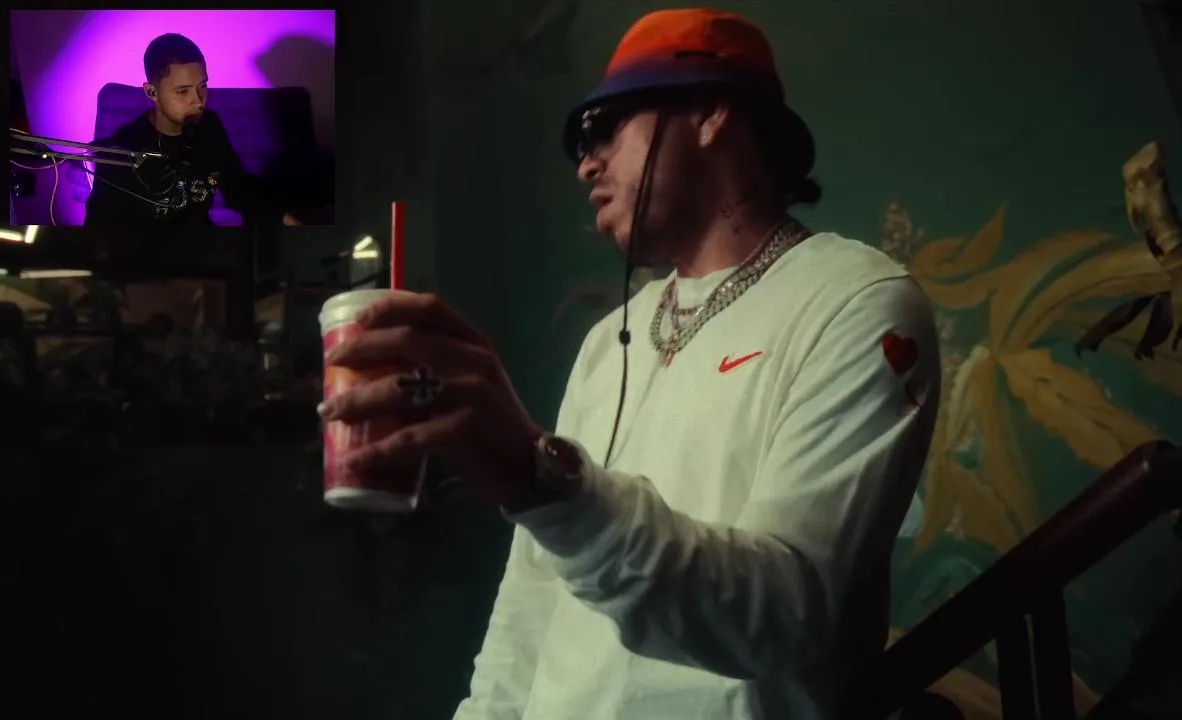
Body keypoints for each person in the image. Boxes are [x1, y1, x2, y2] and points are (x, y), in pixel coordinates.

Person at [318, 8, 941, 719]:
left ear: (710, 113)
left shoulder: (856, 303)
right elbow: (530, 605)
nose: (586, 163)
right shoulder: (606, 340)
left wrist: (544, 480)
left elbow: (784, 614)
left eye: (603, 128)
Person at [83, 33, 300, 227]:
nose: (198, 101)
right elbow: (100, 229)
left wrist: (282, 217)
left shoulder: (209, 125)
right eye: (182, 91)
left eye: (202, 86)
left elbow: (237, 187)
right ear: (152, 92)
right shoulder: (123, 151)